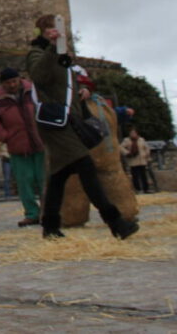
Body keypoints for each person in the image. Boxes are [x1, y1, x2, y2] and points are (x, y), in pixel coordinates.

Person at [25, 14, 138, 240]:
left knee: (58, 176)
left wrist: (83, 90)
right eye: (49, 29)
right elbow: (39, 76)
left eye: (56, 28)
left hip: (67, 120)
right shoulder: (36, 53)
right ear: (41, 33)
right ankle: (116, 223)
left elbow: (64, 85)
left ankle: (50, 227)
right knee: (86, 167)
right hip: (55, 123)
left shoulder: (61, 54)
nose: (54, 32)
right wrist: (52, 49)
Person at [0, 67, 45, 227]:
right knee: (24, 182)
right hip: (17, 146)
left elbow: (45, 108)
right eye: (8, 83)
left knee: (45, 180)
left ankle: (48, 212)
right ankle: (32, 213)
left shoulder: (33, 91)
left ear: (19, 79)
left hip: (40, 142)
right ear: (2, 84)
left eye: (14, 81)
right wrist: (6, 137)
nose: (12, 85)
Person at [121, 126, 152, 193]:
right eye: (131, 133)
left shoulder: (141, 140)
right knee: (135, 176)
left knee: (143, 175)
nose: (132, 134)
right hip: (133, 160)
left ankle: (146, 189)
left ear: (137, 133)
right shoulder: (126, 140)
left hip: (141, 160)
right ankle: (138, 189)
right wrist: (127, 153)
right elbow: (121, 147)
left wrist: (146, 154)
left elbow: (146, 148)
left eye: (134, 133)